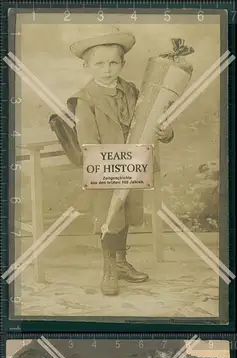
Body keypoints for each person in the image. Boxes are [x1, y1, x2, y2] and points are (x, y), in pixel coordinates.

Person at [69, 26, 174, 296]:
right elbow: (87, 139)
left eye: (113, 62)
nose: (107, 69)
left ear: (123, 63)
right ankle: (109, 267)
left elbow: (148, 119)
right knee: (109, 215)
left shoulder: (132, 90)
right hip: (105, 167)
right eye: (99, 63)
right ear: (87, 65)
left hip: (132, 164)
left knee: (125, 214)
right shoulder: (85, 99)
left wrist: (165, 130)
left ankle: (122, 262)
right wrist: (106, 163)